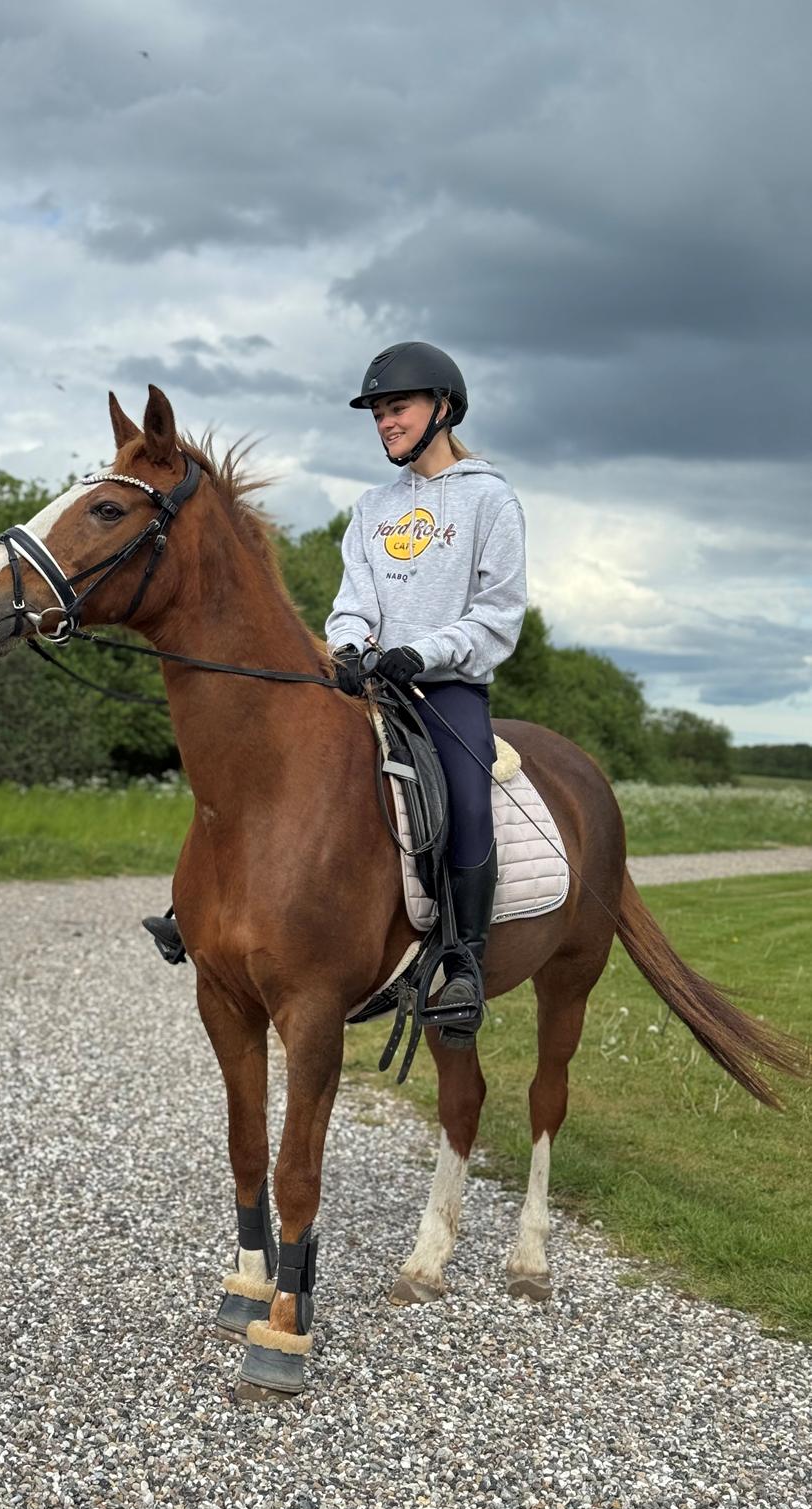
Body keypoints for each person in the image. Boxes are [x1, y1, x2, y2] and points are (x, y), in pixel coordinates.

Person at [327, 341, 527, 1046]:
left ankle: (464, 963)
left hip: (446, 687)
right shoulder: (372, 507)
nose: (385, 422)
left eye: (397, 407)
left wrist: (426, 651)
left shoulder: (490, 499)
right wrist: (348, 647)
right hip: (370, 685)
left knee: (468, 796)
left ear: (442, 408)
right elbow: (353, 599)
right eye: (378, 412)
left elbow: (498, 616)